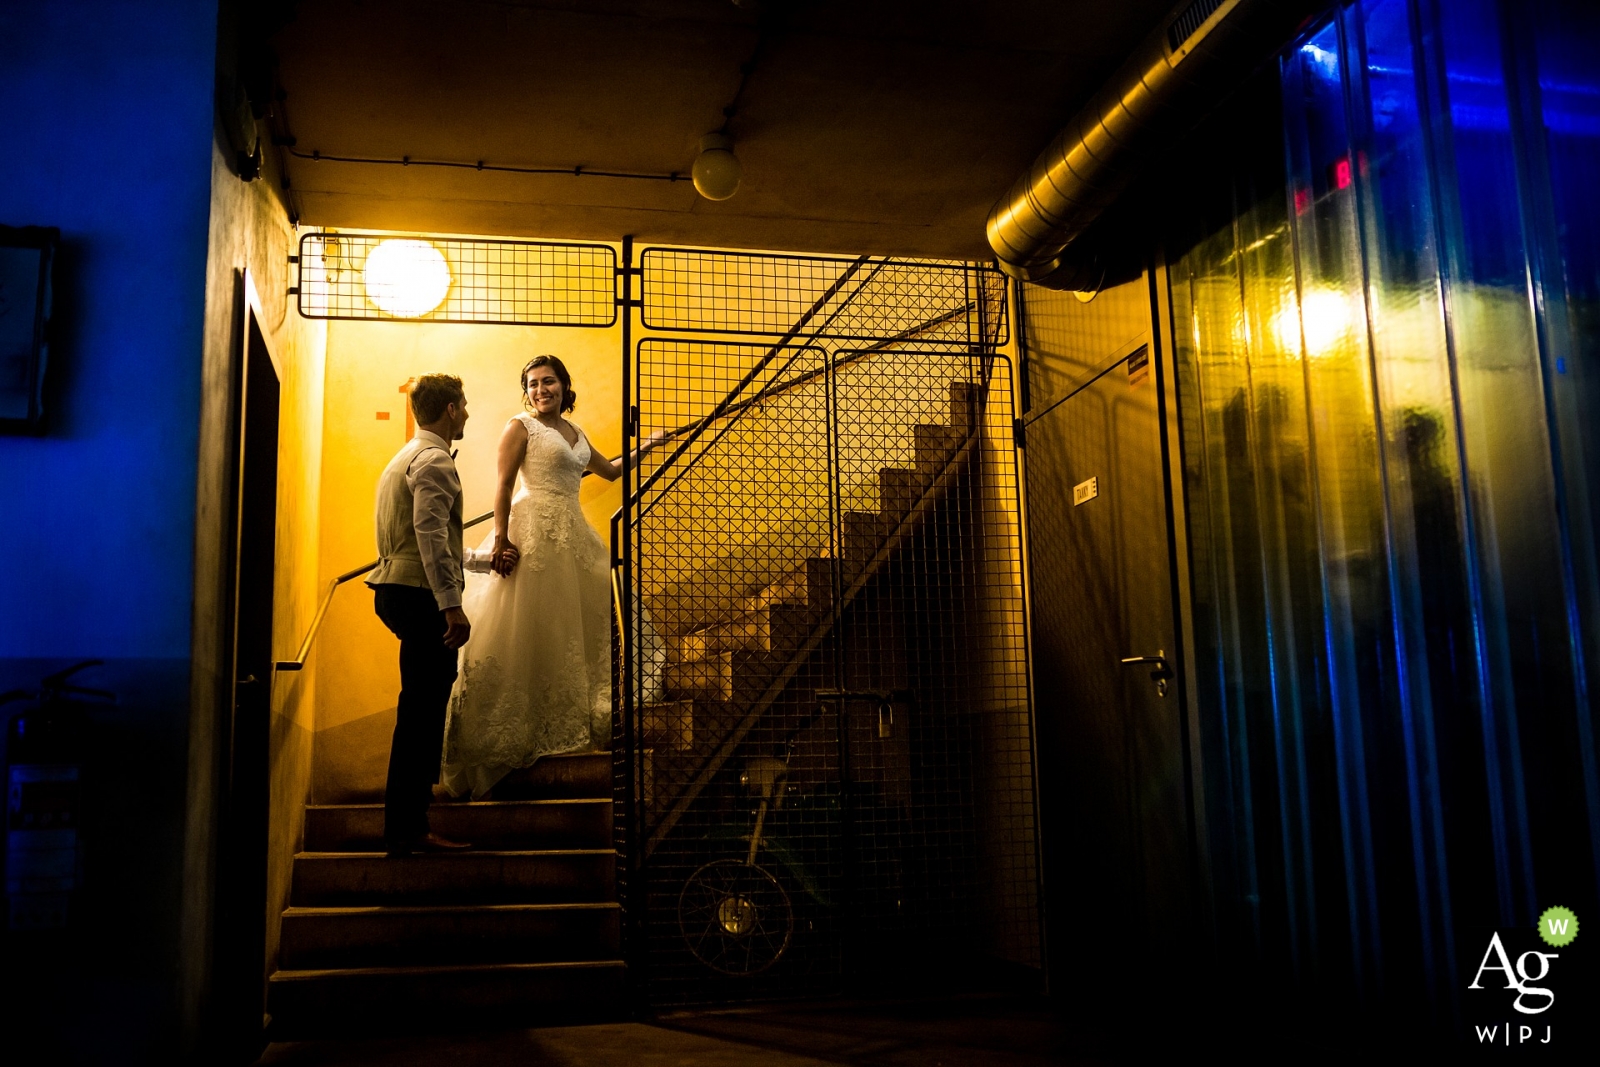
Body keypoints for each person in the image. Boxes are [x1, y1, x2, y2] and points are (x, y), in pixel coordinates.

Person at [439, 356, 622, 798]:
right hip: (533, 530)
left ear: (564, 385)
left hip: (571, 533)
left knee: (566, 628)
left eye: (549, 381)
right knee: (523, 626)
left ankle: (564, 717)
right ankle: (511, 732)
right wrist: (501, 540)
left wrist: (650, 445)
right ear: (527, 391)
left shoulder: (577, 434)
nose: (541, 390)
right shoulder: (520, 426)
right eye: (533, 384)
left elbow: (611, 471)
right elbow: (502, 485)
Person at [366, 374, 516, 854]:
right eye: (465, 405)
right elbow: (430, 538)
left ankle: (406, 827)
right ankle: (409, 830)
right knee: (422, 717)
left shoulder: (405, 457)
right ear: (450, 410)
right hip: (419, 596)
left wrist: (480, 560)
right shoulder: (434, 461)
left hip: (397, 588)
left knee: (418, 712)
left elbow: (427, 541)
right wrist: (452, 606)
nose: (469, 413)